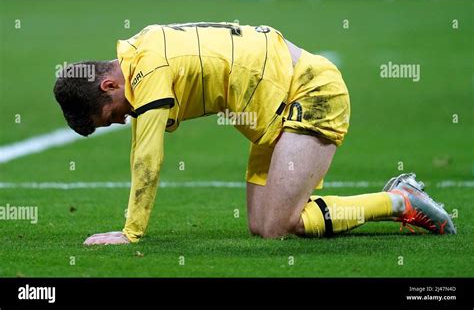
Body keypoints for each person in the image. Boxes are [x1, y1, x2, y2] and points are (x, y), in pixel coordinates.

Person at [53, 22, 456, 245]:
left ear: (108, 85)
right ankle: (322, 198)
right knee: (263, 228)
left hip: (311, 92)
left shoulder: (148, 68)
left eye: (112, 116)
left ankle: (401, 200)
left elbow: (147, 155)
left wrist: (131, 233)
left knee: (283, 224)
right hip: (274, 113)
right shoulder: (141, 50)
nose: (123, 120)